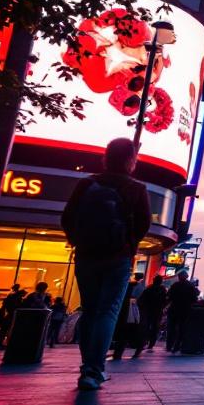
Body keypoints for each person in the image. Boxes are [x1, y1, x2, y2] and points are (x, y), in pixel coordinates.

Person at [61, 138, 152, 390]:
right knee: (107, 312)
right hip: (118, 258)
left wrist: (78, 241)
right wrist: (128, 244)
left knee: (90, 311)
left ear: (106, 157)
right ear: (132, 160)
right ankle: (93, 369)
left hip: (86, 254)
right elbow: (144, 225)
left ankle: (87, 367)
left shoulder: (87, 183)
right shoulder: (136, 188)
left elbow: (67, 217)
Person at [110, 276, 144, 360]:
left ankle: (118, 353)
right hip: (130, 315)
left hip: (125, 315)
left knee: (123, 333)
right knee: (128, 332)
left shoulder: (125, 293)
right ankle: (136, 348)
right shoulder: (135, 292)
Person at [165, 271, 197, 352]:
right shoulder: (190, 286)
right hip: (184, 310)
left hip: (174, 310)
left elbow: (169, 297)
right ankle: (177, 345)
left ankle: (169, 345)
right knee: (181, 328)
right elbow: (194, 299)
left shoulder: (175, 285)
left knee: (171, 328)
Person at [138, 276, 167, 351]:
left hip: (148, 310)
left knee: (146, 326)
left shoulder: (149, 288)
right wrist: (163, 307)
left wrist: (142, 307)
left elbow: (142, 299)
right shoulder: (163, 289)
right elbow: (166, 300)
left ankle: (144, 342)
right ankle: (151, 343)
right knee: (155, 327)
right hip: (158, 311)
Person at [0, 284, 23, 349]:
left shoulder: (10, 295)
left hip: (8, 314)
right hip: (12, 315)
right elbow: (17, 306)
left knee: (4, 330)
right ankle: (4, 344)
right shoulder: (16, 296)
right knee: (8, 330)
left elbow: (5, 305)